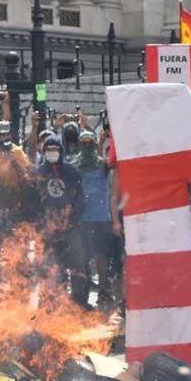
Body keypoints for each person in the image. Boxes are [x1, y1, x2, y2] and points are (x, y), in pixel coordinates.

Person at [34, 135, 87, 306]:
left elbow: (80, 198)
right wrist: (44, 221)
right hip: (47, 227)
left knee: (77, 263)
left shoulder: (71, 171)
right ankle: (52, 300)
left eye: (55, 149)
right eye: (48, 150)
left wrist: (70, 217)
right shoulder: (38, 173)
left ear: (61, 150)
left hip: (71, 226)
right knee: (50, 264)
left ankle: (79, 301)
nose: (52, 153)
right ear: (43, 152)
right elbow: (31, 201)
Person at [72, 130, 116, 306]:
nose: (87, 144)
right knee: (82, 257)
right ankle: (82, 294)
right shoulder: (74, 165)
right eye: (84, 141)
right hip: (82, 218)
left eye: (90, 141)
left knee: (101, 256)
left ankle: (104, 292)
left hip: (100, 217)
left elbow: (110, 161)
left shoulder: (102, 165)